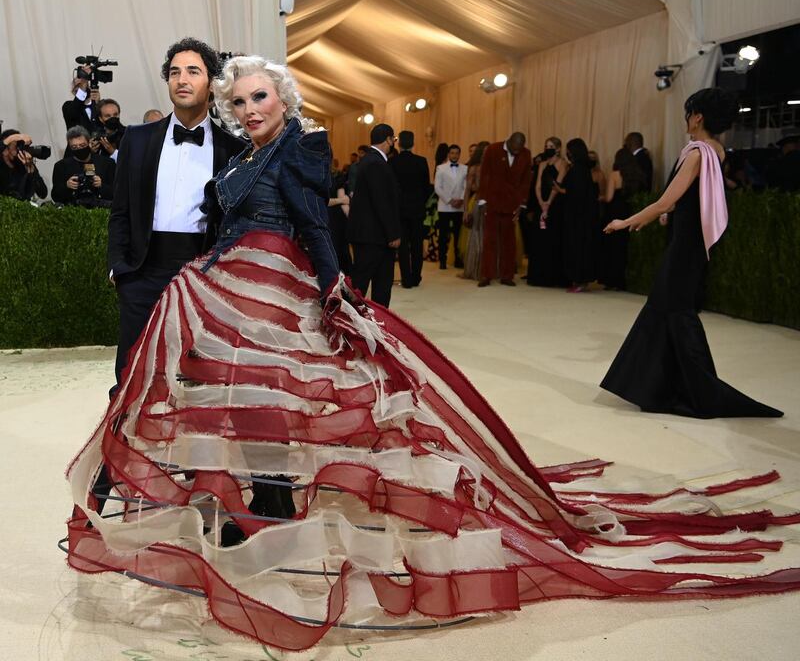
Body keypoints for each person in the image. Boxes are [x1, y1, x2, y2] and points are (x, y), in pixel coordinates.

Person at [66, 70, 800, 653]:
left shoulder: (298, 147)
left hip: (279, 285)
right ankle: (250, 504)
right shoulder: (247, 154)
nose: (250, 108)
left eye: (261, 97)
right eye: (241, 100)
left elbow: (314, 223)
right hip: (231, 284)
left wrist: (334, 287)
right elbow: (226, 223)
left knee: (286, 395)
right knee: (239, 394)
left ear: (283, 99)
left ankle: (271, 504)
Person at [602, 88, 782, 418]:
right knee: (669, 309)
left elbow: (665, 201)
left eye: (688, 114)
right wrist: (669, 213)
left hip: (685, 245)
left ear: (697, 117)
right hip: (690, 242)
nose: (686, 120)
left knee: (677, 311)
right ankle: (661, 388)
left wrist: (626, 221)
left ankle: (701, 393)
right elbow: (695, 197)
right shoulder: (715, 150)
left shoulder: (697, 153)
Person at [107, 37, 246, 388]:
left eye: (193, 71)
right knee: (132, 372)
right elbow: (120, 210)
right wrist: (118, 268)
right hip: (142, 268)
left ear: (212, 83)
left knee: (198, 372)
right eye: (174, 72)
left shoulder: (234, 149)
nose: (182, 79)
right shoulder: (137, 139)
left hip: (202, 270)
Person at [347, 123, 401, 307]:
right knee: (367, 283)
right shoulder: (375, 163)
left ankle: (373, 317)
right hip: (373, 235)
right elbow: (381, 201)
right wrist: (393, 233)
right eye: (393, 139)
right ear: (388, 140)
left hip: (370, 233)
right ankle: (352, 317)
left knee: (375, 281)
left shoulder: (370, 160)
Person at [477, 132, 532, 287]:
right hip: (492, 201)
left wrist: (522, 203)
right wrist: (482, 200)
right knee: (490, 240)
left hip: (512, 204)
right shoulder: (493, 149)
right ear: (509, 141)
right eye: (515, 148)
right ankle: (487, 275)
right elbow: (485, 174)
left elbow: (526, 180)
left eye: (520, 149)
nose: (517, 151)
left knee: (509, 242)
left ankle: (507, 276)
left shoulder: (526, 154)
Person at [597, 148, 647, 290]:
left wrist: (600, 197)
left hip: (615, 213)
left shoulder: (615, 175)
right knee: (625, 247)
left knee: (613, 247)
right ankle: (624, 280)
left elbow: (609, 198)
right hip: (632, 212)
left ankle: (612, 280)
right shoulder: (638, 175)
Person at [557, 138, 598, 293]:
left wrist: (560, 190)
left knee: (577, 247)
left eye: (569, 151)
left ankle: (580, 280)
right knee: (579, 247)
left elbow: (576, 193)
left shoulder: (578, 170)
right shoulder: (583, 168)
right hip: (582, 216)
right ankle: (578, 280)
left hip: (578, 217)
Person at [391, 130, 430, 288]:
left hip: (399, 210)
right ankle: (416, 277)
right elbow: (427, 187)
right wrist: (420, 202)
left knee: (403, 246)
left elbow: (391, 188)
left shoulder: (392, 162)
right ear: (413, 143)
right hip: (417, 209)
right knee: (417, 245)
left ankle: (406, 279)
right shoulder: (421, 161)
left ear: (399, 144)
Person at [526, 137, 568, 287]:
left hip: (555, 205)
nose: (548, 148)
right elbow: (537, 185)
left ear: (558, 148)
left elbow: (558, 184)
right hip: (541, 204)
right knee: (539, 238)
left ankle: (553, 276)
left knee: (553, 237)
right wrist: (541, 202)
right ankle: (539, 276)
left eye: (551, 146)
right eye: (546, 146)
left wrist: (549, 202)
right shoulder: (542, 164)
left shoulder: (563, 164)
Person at [51, 126, 116, 207]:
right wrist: (67, 186)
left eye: (82, 145)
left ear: (89, 143)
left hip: (102, 208)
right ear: (70, 147)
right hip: (74, 209)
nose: (79, 149)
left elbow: (117, 192)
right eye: (74, 147)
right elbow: (55, 196)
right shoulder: (61, 166)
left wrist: (101, 185)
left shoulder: (107, 163)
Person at [434, 144, 467, 269]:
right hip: (445, 206)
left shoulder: (465, 168)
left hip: (459, 206)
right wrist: (449, 200)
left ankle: (458, 259)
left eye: (457, 153)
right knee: (443, 235)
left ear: (459, 154)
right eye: (452, 153)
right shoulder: (441, 168)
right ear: (448, 154)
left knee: (458, 234)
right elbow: (438, 187)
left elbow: (466, 186)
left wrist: (461, 199)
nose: (454, 155)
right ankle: (442, 260)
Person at [460, 140, 489, 280]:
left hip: (493, 205)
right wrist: (465, 210)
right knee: (477, 237)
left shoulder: (495, 167)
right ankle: (476, 270)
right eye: (485, 151)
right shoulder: (474, 168)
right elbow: (467, 191)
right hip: (478, 204)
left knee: (490, 237)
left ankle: (490, 271)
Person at [0, 129, 48, 200]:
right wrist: (12, 138)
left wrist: (32, 170)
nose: (19, 148)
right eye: (16, 144)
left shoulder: (23, 163)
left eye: (20, 144)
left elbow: (43, 193)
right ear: (5, 148)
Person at [423, 142, 450, 263]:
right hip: (443, 198)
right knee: (443, 227)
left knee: (435, 228)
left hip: (435, 200)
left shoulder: (438, 165)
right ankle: (442, 252)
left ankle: (435, 251)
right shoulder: (444, 166)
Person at [326, 160, 352, 274]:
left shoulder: (337, 176)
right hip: (330, 217)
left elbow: (344, 201)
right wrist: (340, 200)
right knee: (337, 249)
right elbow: (341, 199)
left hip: (335, 218)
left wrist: (350, 218)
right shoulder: (337, 175)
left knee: (340, 249)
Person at [62, 66, 101, 133]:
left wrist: (98, 104)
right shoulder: (68, 106)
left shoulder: (100, 105)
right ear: (73, 91)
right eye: (78, 86)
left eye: (84, 84)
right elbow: (74, 112)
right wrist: (83, 85)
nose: (82, 87)